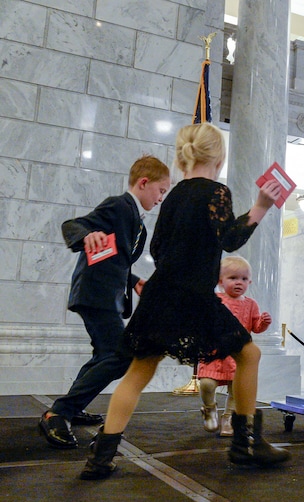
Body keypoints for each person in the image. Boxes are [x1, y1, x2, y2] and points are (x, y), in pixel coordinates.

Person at [80, 122, 290, 480]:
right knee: (249, 354)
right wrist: (261, 205)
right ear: (219, 157)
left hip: (161, 295)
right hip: (194, 298)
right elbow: (230, 237)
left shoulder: (174, 195)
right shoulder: (215, 192)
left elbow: (157, 248)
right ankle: (245, 444)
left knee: (137, 373)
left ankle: (100, 458)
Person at [38, 156, 170, 449]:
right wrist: (88, 234)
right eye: (161, 191)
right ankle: (58, 413)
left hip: (107, 295)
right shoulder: (119, 205)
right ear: (144, 183)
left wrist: (133, 279)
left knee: (104, 355)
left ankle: (73, 408)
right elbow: (73, 225)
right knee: (119, 355)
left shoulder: (138, 224)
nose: (161, 198)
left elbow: (117, 258)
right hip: (96, 294)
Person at [198, 256, 272, 437]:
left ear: (250, 282)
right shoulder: (215, 300)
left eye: (244, 279)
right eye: (233, 278)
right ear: (220, 281)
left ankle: (228, 418)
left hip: (238, 355)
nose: (239, 282)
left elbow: (255, 327)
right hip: (214, 353)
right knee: (207, 383)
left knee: (235, 388)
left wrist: (263, 323)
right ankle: (209, 408)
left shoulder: (251, 304)